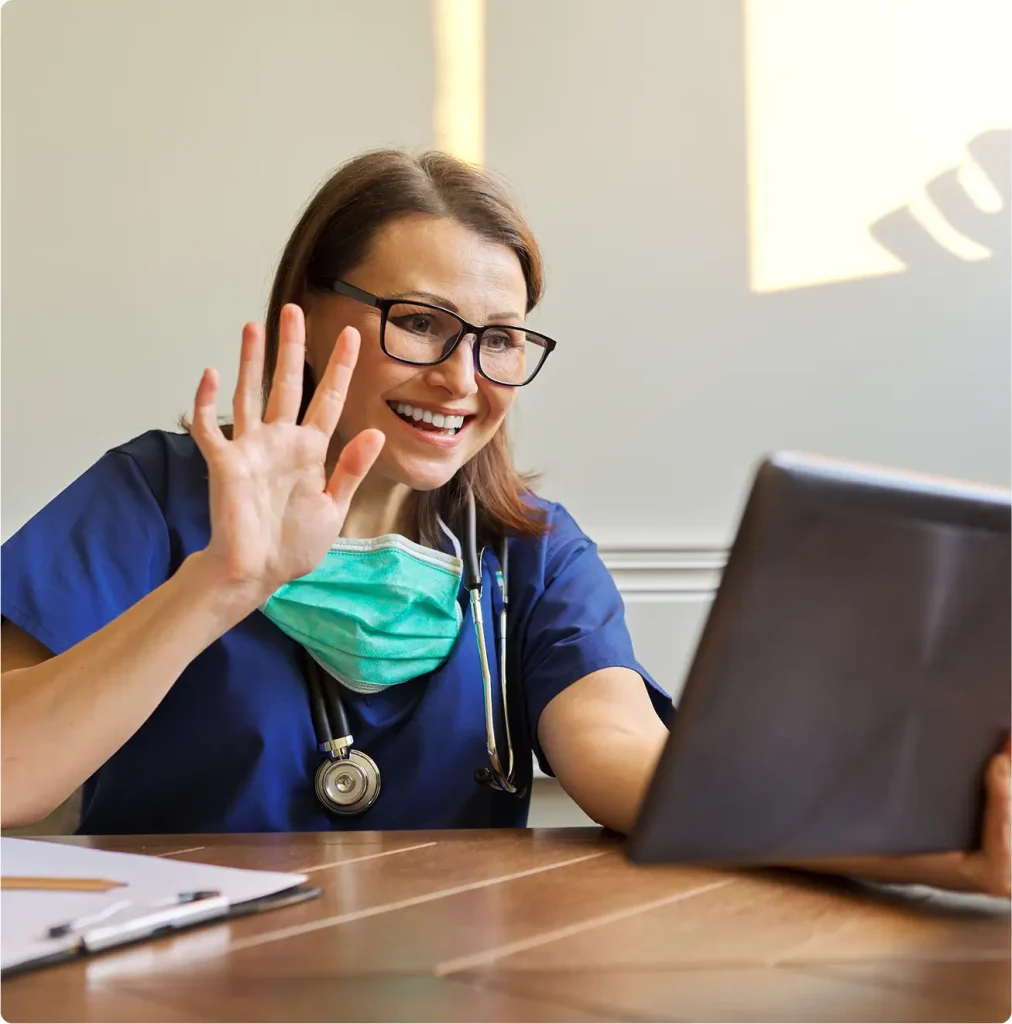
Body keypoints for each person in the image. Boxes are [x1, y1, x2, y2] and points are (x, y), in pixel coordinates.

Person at [2, 151, 1008, 898]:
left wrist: (952, 852)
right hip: (167, 981)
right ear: (308, 310)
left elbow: (630, 762)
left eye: (500, 340)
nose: (461, 378)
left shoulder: (532, 551)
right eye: (420, 322)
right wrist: (219, 582)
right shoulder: (156, 496)